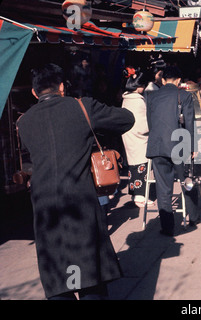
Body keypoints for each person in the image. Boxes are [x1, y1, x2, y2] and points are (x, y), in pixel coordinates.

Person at [17, 63, 135, 300]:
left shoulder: (24, 122)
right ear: (62, 87)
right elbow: (126, 119)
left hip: (44, 204)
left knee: (59, 275)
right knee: (89, 272)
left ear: (34, 92)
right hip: (80, 200)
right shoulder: (82, 107)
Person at [146, 66, 201, 236]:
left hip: (157, 146)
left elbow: (150, 122)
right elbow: (190, 123)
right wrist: (192, 147)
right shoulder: (184, 95)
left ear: (163, 80)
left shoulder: (151, 96)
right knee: (187, 181)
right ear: (178, 80)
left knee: (163, 189)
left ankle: (167, 227)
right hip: (179, 146)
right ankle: (193, 216)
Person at [121, 67, 153, 208]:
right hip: (139, 138)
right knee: (141, 167)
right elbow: (142, 124)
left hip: (130, 136)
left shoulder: (127, 98)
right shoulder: (138, 100)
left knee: (133, 167)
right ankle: (140, 197)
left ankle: (135, 194)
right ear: (139, 86)